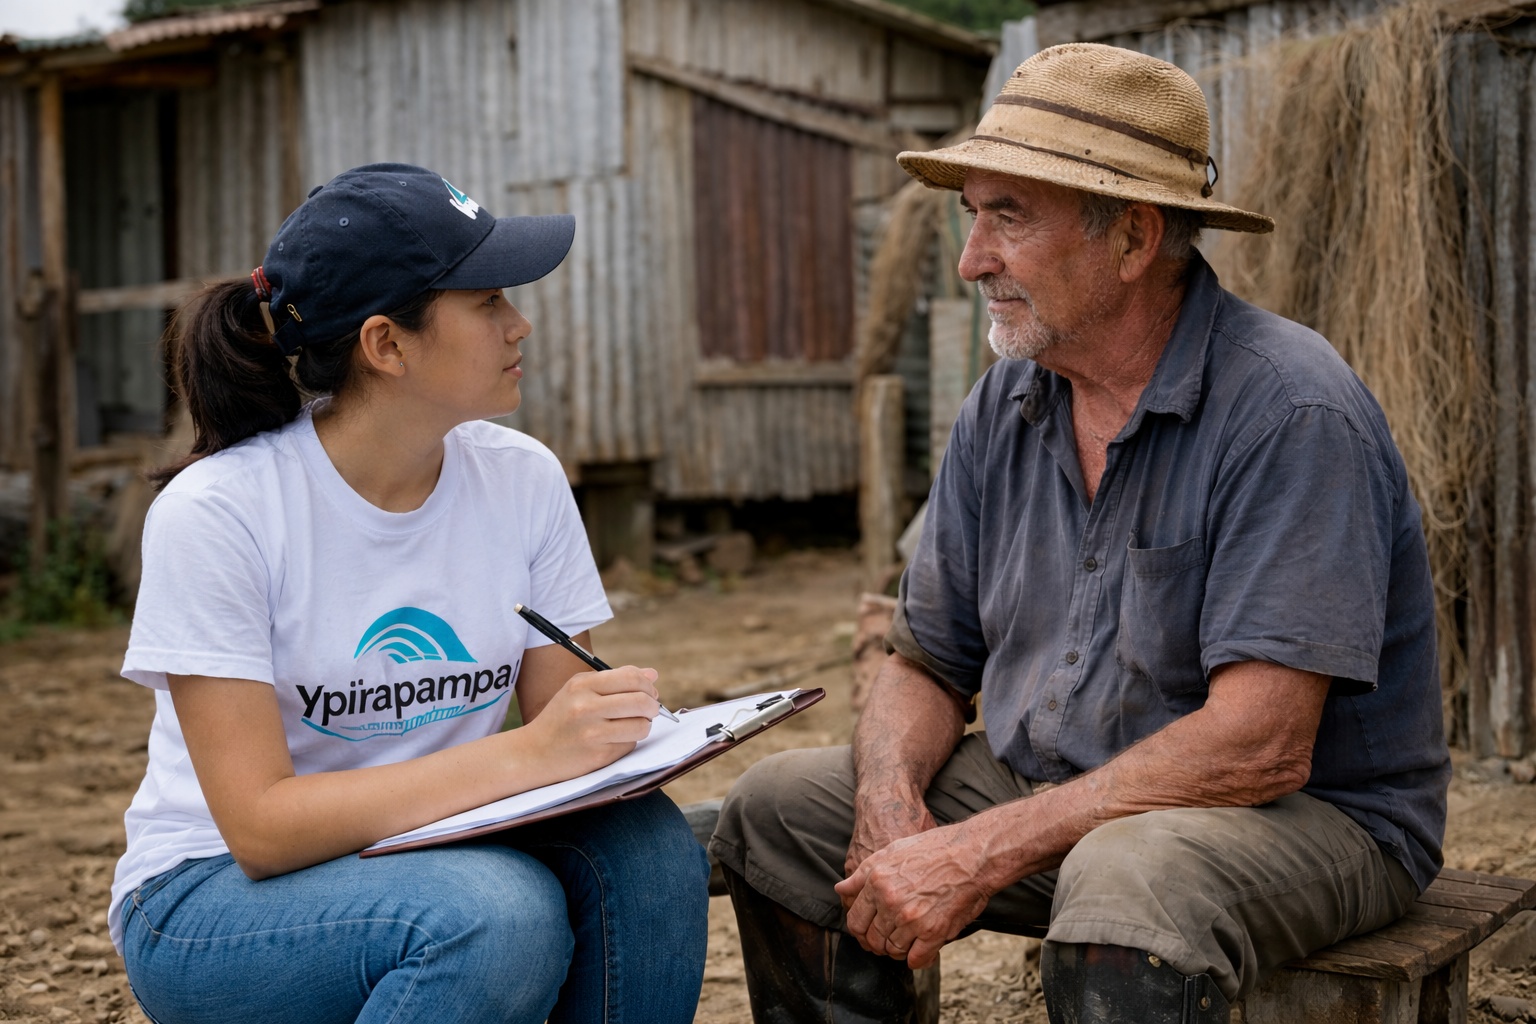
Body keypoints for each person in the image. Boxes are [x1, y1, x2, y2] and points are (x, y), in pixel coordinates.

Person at [710, 43, 1451, 1023]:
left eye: (1008, 217)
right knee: (783, 809)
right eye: (972, 215)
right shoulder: (1004, 401)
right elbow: (926, 659)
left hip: (1304, 819)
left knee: (1126, 882)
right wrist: (890, 805)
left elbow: (1261, 744)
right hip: (1055, 786)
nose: (974, 258)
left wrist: (979, 848)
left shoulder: (1288, 408)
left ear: (1134, 240)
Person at [109, 163, 709, 1024]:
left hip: (444, 842)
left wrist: (618, 726)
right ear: (386, 344)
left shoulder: (522, 479)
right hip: (213, 898)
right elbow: (262, 828)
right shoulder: (218, 514)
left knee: (650, 848)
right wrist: (529, 754)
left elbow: (562, 727)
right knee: (494, 916)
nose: (520, 323)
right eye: (488, 302)